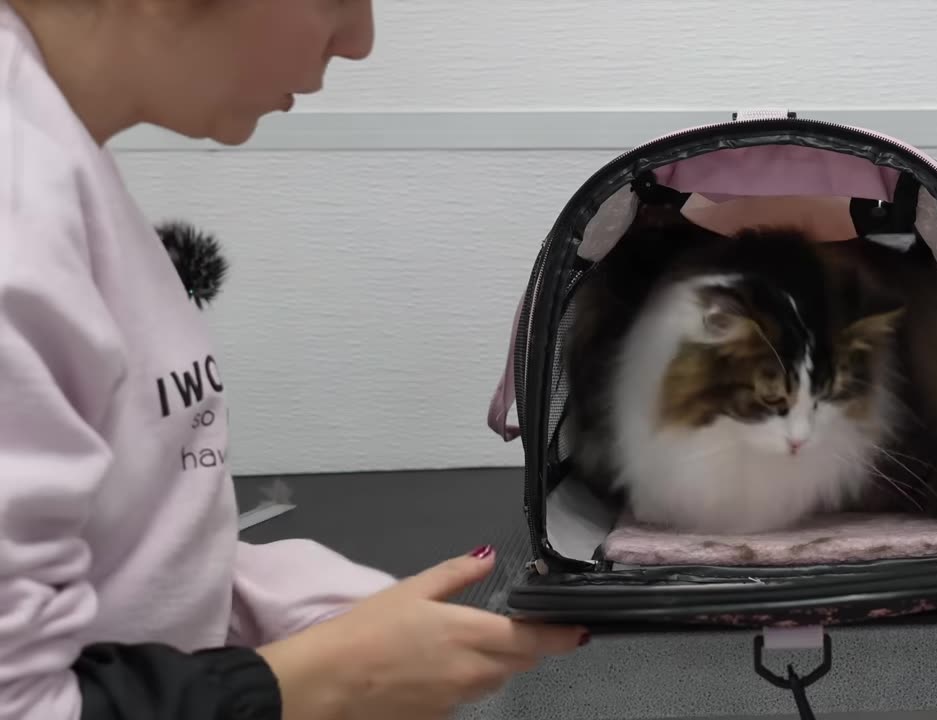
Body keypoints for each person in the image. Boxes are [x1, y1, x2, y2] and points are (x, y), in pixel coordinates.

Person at [0, 0, 587, 718]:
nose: (359, 42)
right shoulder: (16, 197)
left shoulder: (56, 154)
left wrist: (244, 597)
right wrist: (304, 680)